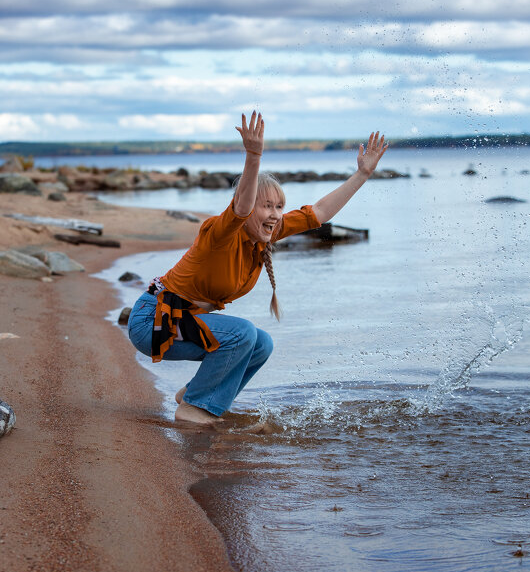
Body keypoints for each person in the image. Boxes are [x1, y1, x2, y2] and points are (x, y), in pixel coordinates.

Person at [128, 112, 387, 426]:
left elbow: (318, 212)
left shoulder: (268, 233)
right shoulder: (221, 233)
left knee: (261, 344)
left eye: (279, 206)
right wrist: (253, 156)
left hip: (183, 324)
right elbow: (240, 209)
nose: (276, 214)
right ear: (250, 206)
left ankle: (196, 395)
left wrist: (362, 175)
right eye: (267, 206)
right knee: (242, 334)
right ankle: (195, 408)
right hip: (152, 322)